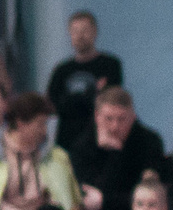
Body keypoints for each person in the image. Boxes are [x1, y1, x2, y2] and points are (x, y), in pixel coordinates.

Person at [69, 86, 171, 210]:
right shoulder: (82, 147)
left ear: (133, 118)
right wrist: (114, 154)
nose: (115, 126)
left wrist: (106, 201)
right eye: (109, 119)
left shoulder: (150, 141)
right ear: (97, 117)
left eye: (122, 119)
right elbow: (92, 201)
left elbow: (149, 195)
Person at [45, 11, 123, 151]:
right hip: (67, 142)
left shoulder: (110, 65)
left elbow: (111, 101)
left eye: (84, 31)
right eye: (75, 31)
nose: (80, 36)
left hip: (100, 142)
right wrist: (93, 94)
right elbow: (52, 105)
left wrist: (72, 100)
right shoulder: (62, 71)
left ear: (95, 32)